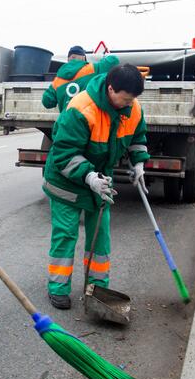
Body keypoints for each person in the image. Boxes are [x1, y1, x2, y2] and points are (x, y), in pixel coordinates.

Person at [41, 64, 149, 309]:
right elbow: (65, 154)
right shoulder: (81, 109)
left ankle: (97, 289)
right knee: (66, 235)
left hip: (101, 180)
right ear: (111, 89)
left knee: (100, 237)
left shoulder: (132, 108)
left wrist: (139, 163)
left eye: (132, 100)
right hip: (66, 182)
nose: (128, 104)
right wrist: (89, 177)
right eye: (124, 99)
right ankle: (58, 288)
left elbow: (137, 138)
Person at [41, 45, 120, 113]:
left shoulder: (57, 80)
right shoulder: (92, 69)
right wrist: (103, 58)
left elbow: (47, 102)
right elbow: (114, 60)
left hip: (66, 123)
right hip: (87, 122)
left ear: (68, 59)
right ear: (83, 58)